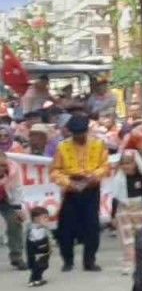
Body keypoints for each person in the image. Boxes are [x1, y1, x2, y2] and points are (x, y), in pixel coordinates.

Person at [50, 114, 108, 271]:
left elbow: (105, 166)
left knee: (92, 225)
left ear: (86, 130)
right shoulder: (62, 147)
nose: (78, 136)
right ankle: (67, 261)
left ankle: (89, 261)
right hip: (71, 189)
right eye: (75, 133)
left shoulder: (99, 144)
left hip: (91, 188)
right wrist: (69, 183)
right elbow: (55, 171)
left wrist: (93, 176)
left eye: (81, 132)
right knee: (66, 227)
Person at [109, 150, 142, 275]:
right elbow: (115, 197)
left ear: (135, 163)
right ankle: (128, 262)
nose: (126, 166)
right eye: (123, 163)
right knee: (127, 238)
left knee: (141, 236)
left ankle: (141, 262)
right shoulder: (119, 179)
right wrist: (113, 215)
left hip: (139, 209)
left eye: (129, 163)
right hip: (123, 210)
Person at [1, 150, 26, 270]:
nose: (2, 168)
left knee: (15, 221)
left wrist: (18, 210)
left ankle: (17, 257)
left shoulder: (13, 170)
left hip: (6, 200)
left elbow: (17, 190)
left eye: (3, 165)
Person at [24, 206, 53, 287]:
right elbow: (34, 242)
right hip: (38, 252)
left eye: (47, 217)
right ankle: (34, 280)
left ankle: (37, 278)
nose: (47, 219)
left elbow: (49, 238)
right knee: (38, 266)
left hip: (43, 251)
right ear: (36, 219)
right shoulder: (34, 230)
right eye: (44, 217)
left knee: (42, 266)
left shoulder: (43, 228)